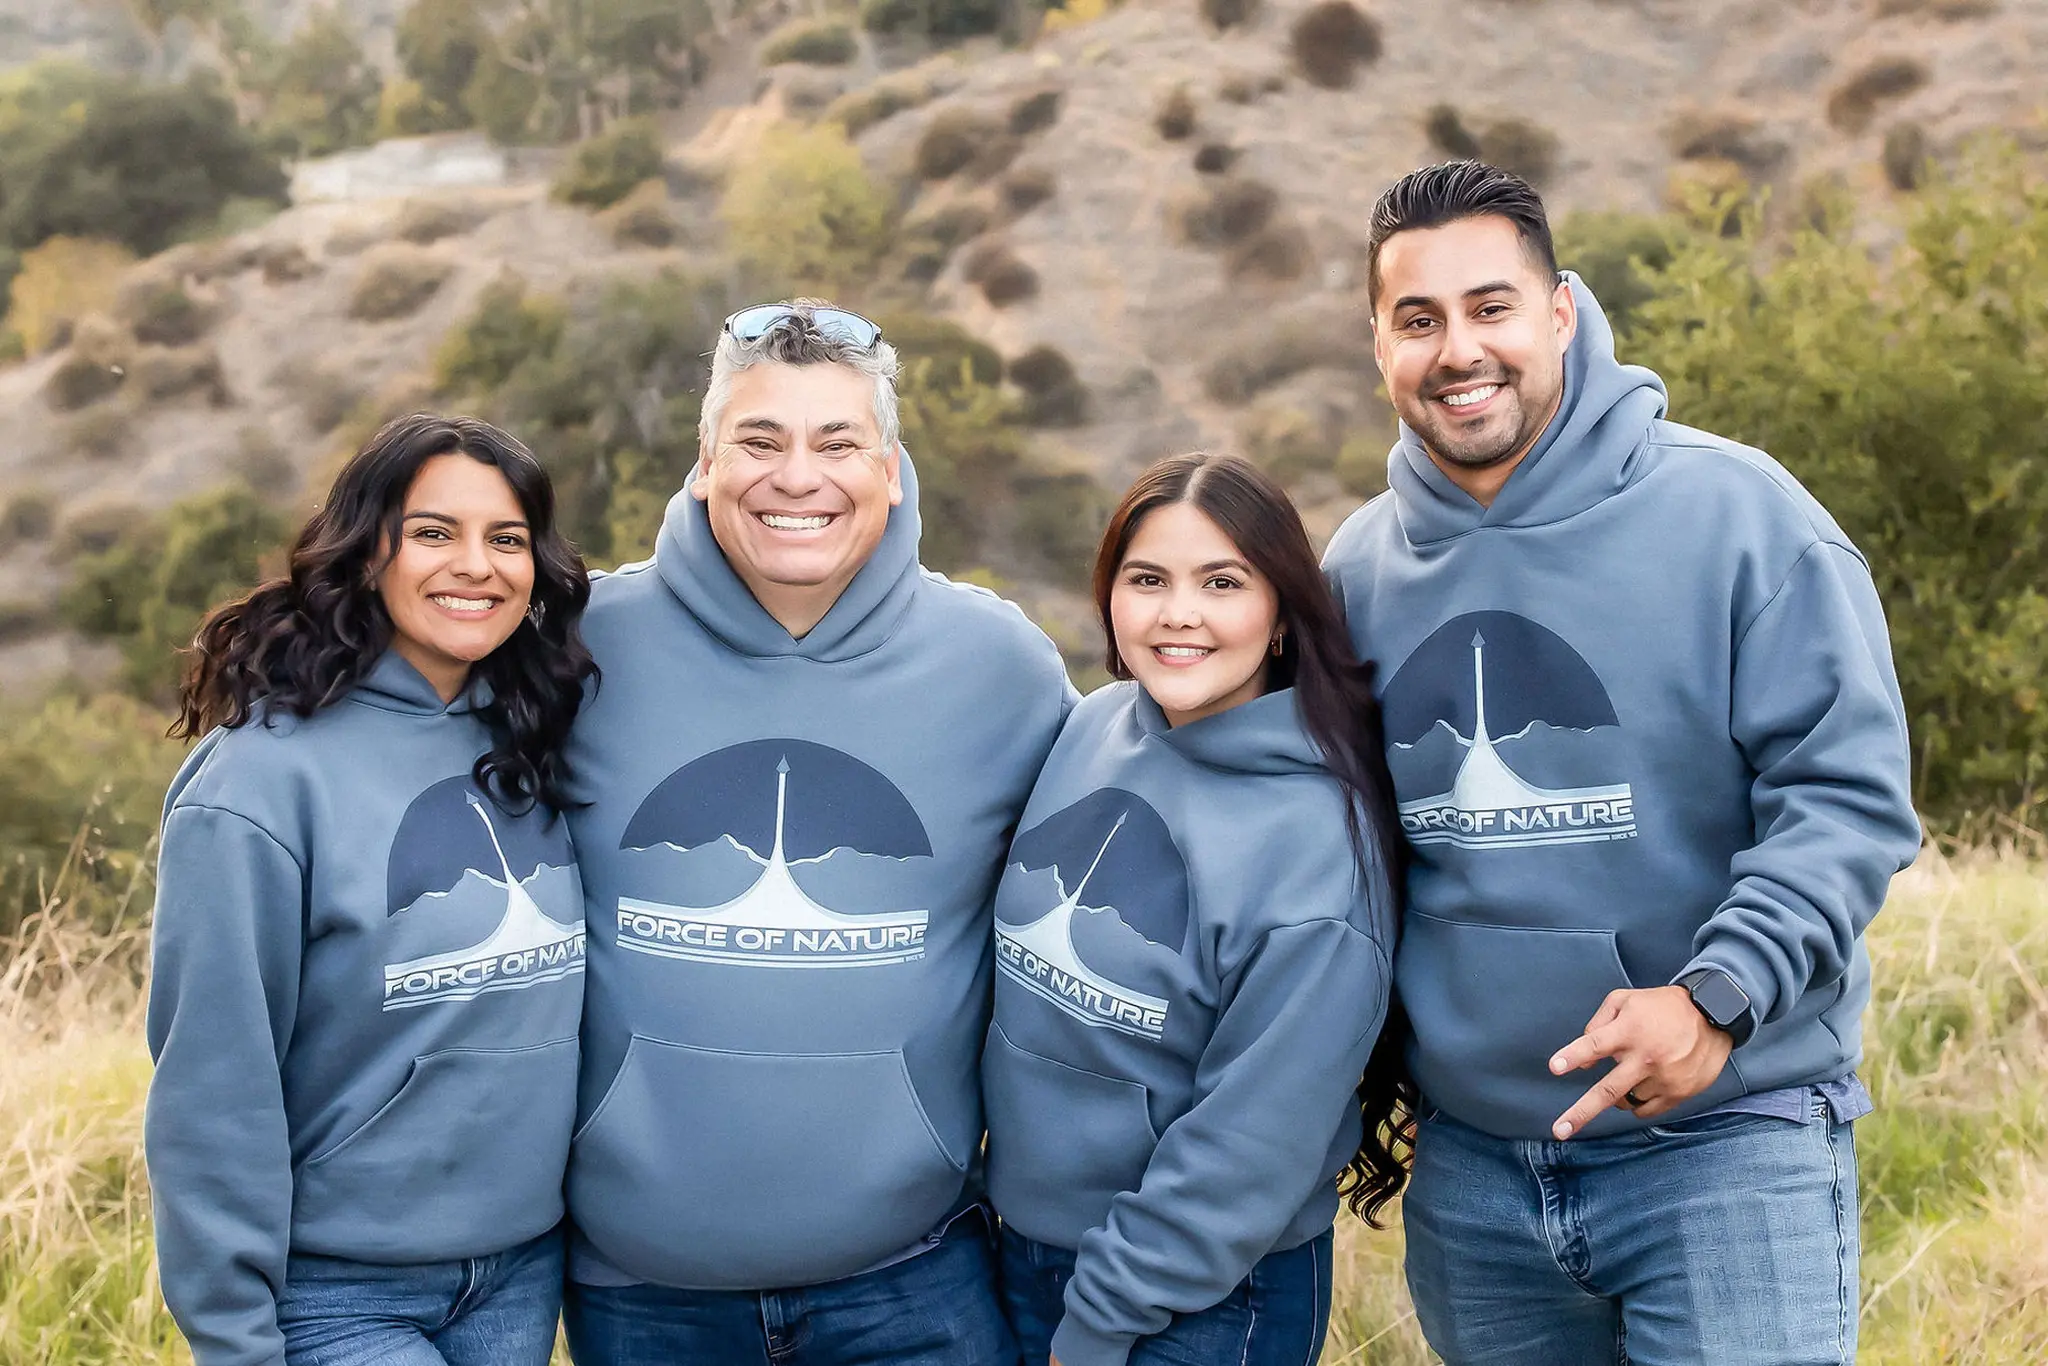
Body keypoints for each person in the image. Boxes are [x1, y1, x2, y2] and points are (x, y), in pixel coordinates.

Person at [1321, 160, 1922, 1365]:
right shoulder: (1357, 571)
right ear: (1378, 343)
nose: (1458, 350)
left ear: (1558, 311)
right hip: (1474, 1174)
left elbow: (1845, 801)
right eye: (1417, 319)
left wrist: (1714, 997)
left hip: (1724, 1145)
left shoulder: (1742, 518)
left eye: (1490, 307)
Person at [559, 300, 1073, 1364]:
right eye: (760, 441)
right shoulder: (577, 652)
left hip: (912, 1277)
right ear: (706, 463)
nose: (798, 477)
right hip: (643, 1292)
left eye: (837, 443)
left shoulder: (1000, 670)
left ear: (890, 469)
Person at [145, 414, 598, 1366]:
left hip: (519, 1274)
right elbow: (214, 1089)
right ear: (366, 551)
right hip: (335, 1292)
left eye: (507, 538)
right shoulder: (259, 785)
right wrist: (234, 1337)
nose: (475, 565)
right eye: (433, 532)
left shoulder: (532, 736)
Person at [987, 452, 1408, 1366]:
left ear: (1282, 613)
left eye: (1222, 582)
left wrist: (1102, 1316)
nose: (1179, 613)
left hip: (1198, 1298)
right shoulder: (1091, 728)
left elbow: (1250, 1143)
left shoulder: (1316, 842)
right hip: (1016, 1249)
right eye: (1148, 580)